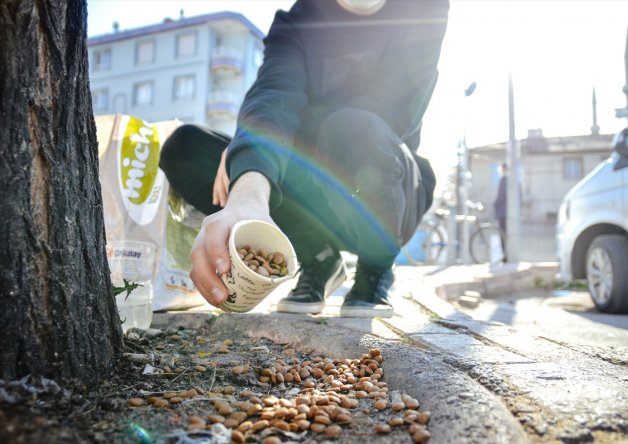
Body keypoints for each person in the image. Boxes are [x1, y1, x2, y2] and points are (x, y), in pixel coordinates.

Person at [159, 0, 450, 318]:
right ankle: (319, 257)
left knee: (351, 130)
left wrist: (272, 141)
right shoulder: (298, 21)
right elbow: (274, 93)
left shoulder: (424, 8)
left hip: (383, 183)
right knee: (185, 148)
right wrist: (250, 179)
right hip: (308, 182)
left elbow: (394, 108)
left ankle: (375, 267)